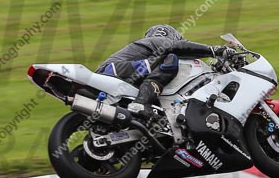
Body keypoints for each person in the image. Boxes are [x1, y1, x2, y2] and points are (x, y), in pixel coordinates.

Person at [96, 24, 232, 119]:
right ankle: (141, 103)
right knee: (170, 59)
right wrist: (215, 50)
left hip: (115, 77)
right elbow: (178, 47)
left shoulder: (146, 48)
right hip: (112, 71)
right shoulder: (158, 41)